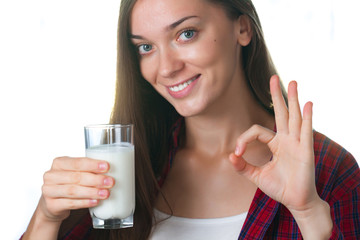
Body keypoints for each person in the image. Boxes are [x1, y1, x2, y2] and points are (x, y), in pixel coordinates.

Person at [22, 0, 360, 239]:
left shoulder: (328, 170)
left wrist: (308, 214)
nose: (166, 68)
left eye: (186, 34)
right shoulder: (129, 164)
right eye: (145, 47)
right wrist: (45, 219)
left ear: (242, 28)